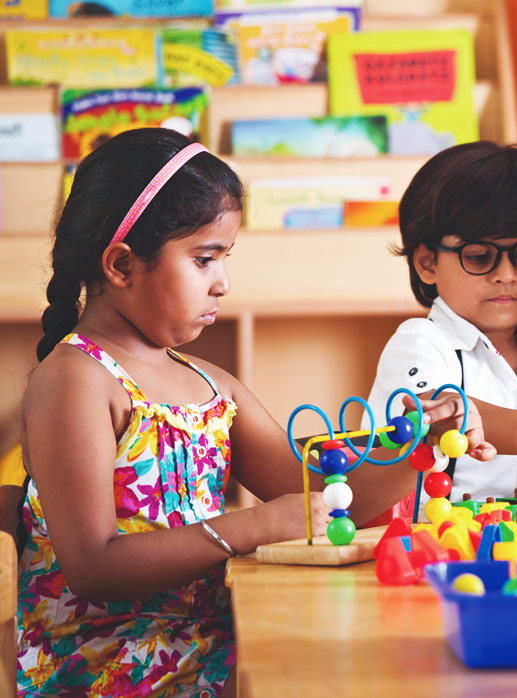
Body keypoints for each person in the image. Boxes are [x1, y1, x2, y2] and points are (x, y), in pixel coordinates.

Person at [15, 128, 430, 698]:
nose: (223, 284)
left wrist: (423, 446)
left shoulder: (211, 386)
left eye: (224, 259)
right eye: (205, 259)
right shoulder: (75, 380)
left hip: (208, 659)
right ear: (120, 264)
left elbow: (333, 493)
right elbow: (93, 566)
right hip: (107, 671)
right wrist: (254, 525)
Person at [364, 141, 517, 509]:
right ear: (427, 263)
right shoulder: (418, 344)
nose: (506, 275)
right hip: (433, 552)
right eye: (480, 257)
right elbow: (435, 414)